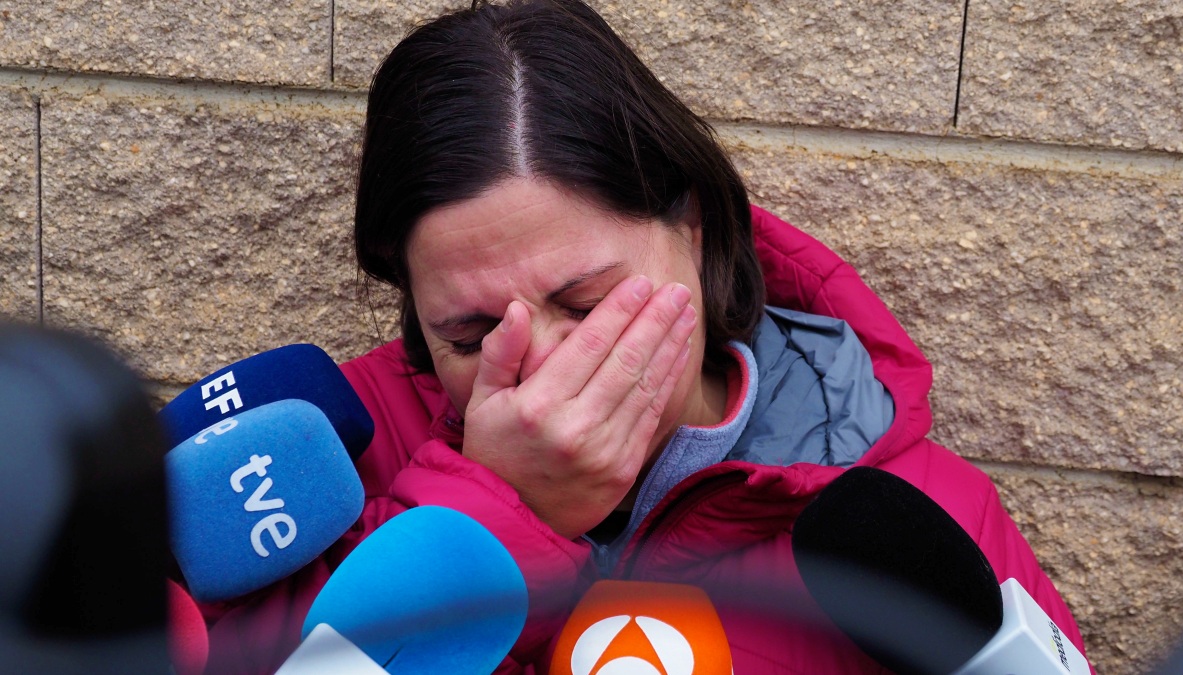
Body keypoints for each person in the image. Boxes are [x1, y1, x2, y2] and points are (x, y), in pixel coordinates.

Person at [201, 0, 1089, 672]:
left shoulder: (910, 510)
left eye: (587, 305)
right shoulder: (319, 468)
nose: (546, 371)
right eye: (471, 335)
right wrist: (494, 517)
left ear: (692, 227)